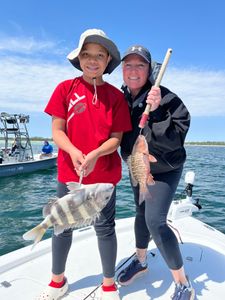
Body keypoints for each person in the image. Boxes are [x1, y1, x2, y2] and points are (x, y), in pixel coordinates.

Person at [35, 29, 131, 300]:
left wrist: (95, 155)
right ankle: (58, 281)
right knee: (61, 225)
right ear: (79, 58)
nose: (92, 60)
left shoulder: (115, 97)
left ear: (108, 59)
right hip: (69, 172)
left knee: (105, 228)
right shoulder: (65, 89)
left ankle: (109, 283)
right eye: (86, 54)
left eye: (99, 55)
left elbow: (116, 139)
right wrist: (76, 152)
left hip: (104, 176)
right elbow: (57, 131)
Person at [117, 45, 194, 300]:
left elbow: (176, 139)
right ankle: (141, 261)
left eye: (140, 65)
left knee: (156, 221)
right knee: (141, 212)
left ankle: (183, 283)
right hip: (136, 164)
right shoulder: (121, 99)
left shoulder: (167, 98)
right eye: (128, 64)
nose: (133, 70)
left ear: (149, 70)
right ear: (122, 70)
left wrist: (159, 110)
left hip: (164, 168)